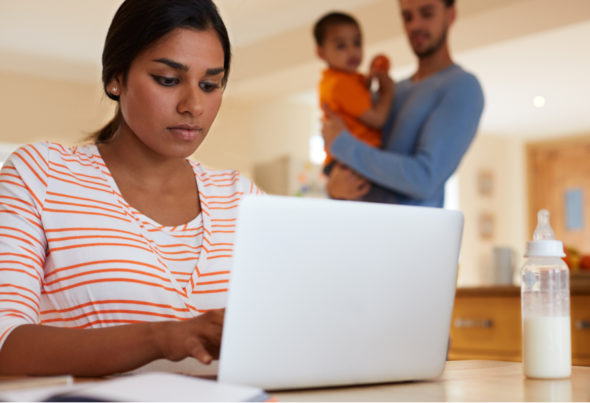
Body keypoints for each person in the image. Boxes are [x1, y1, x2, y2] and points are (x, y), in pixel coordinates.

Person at [0, 0, 262, 376]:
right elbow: (5, 342)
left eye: (210, 85)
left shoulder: (243, 198)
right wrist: (161, 339)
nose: (194, 105)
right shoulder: (40, 175)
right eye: (168, 80)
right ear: (116, 78)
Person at [322, 0, 485, 207]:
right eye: (407, 17)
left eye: (427, 14)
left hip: (412, 237)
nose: (415, 25)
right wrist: (333, 188)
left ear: (450, 14)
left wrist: (342, 145)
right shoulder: (390, 92)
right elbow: (355, 164)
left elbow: (424, 179)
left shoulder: (461, 87)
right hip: (362, 231)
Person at [312, 11, 395, 175]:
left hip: (343, 159)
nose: (352, 51)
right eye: (341, 45)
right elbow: (377, 119)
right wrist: (387, 92)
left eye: (357, 43)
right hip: (349, 163)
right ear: (321, 53)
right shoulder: (340, 85)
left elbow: (357, 104)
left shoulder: (338, 80)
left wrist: (369, 82)